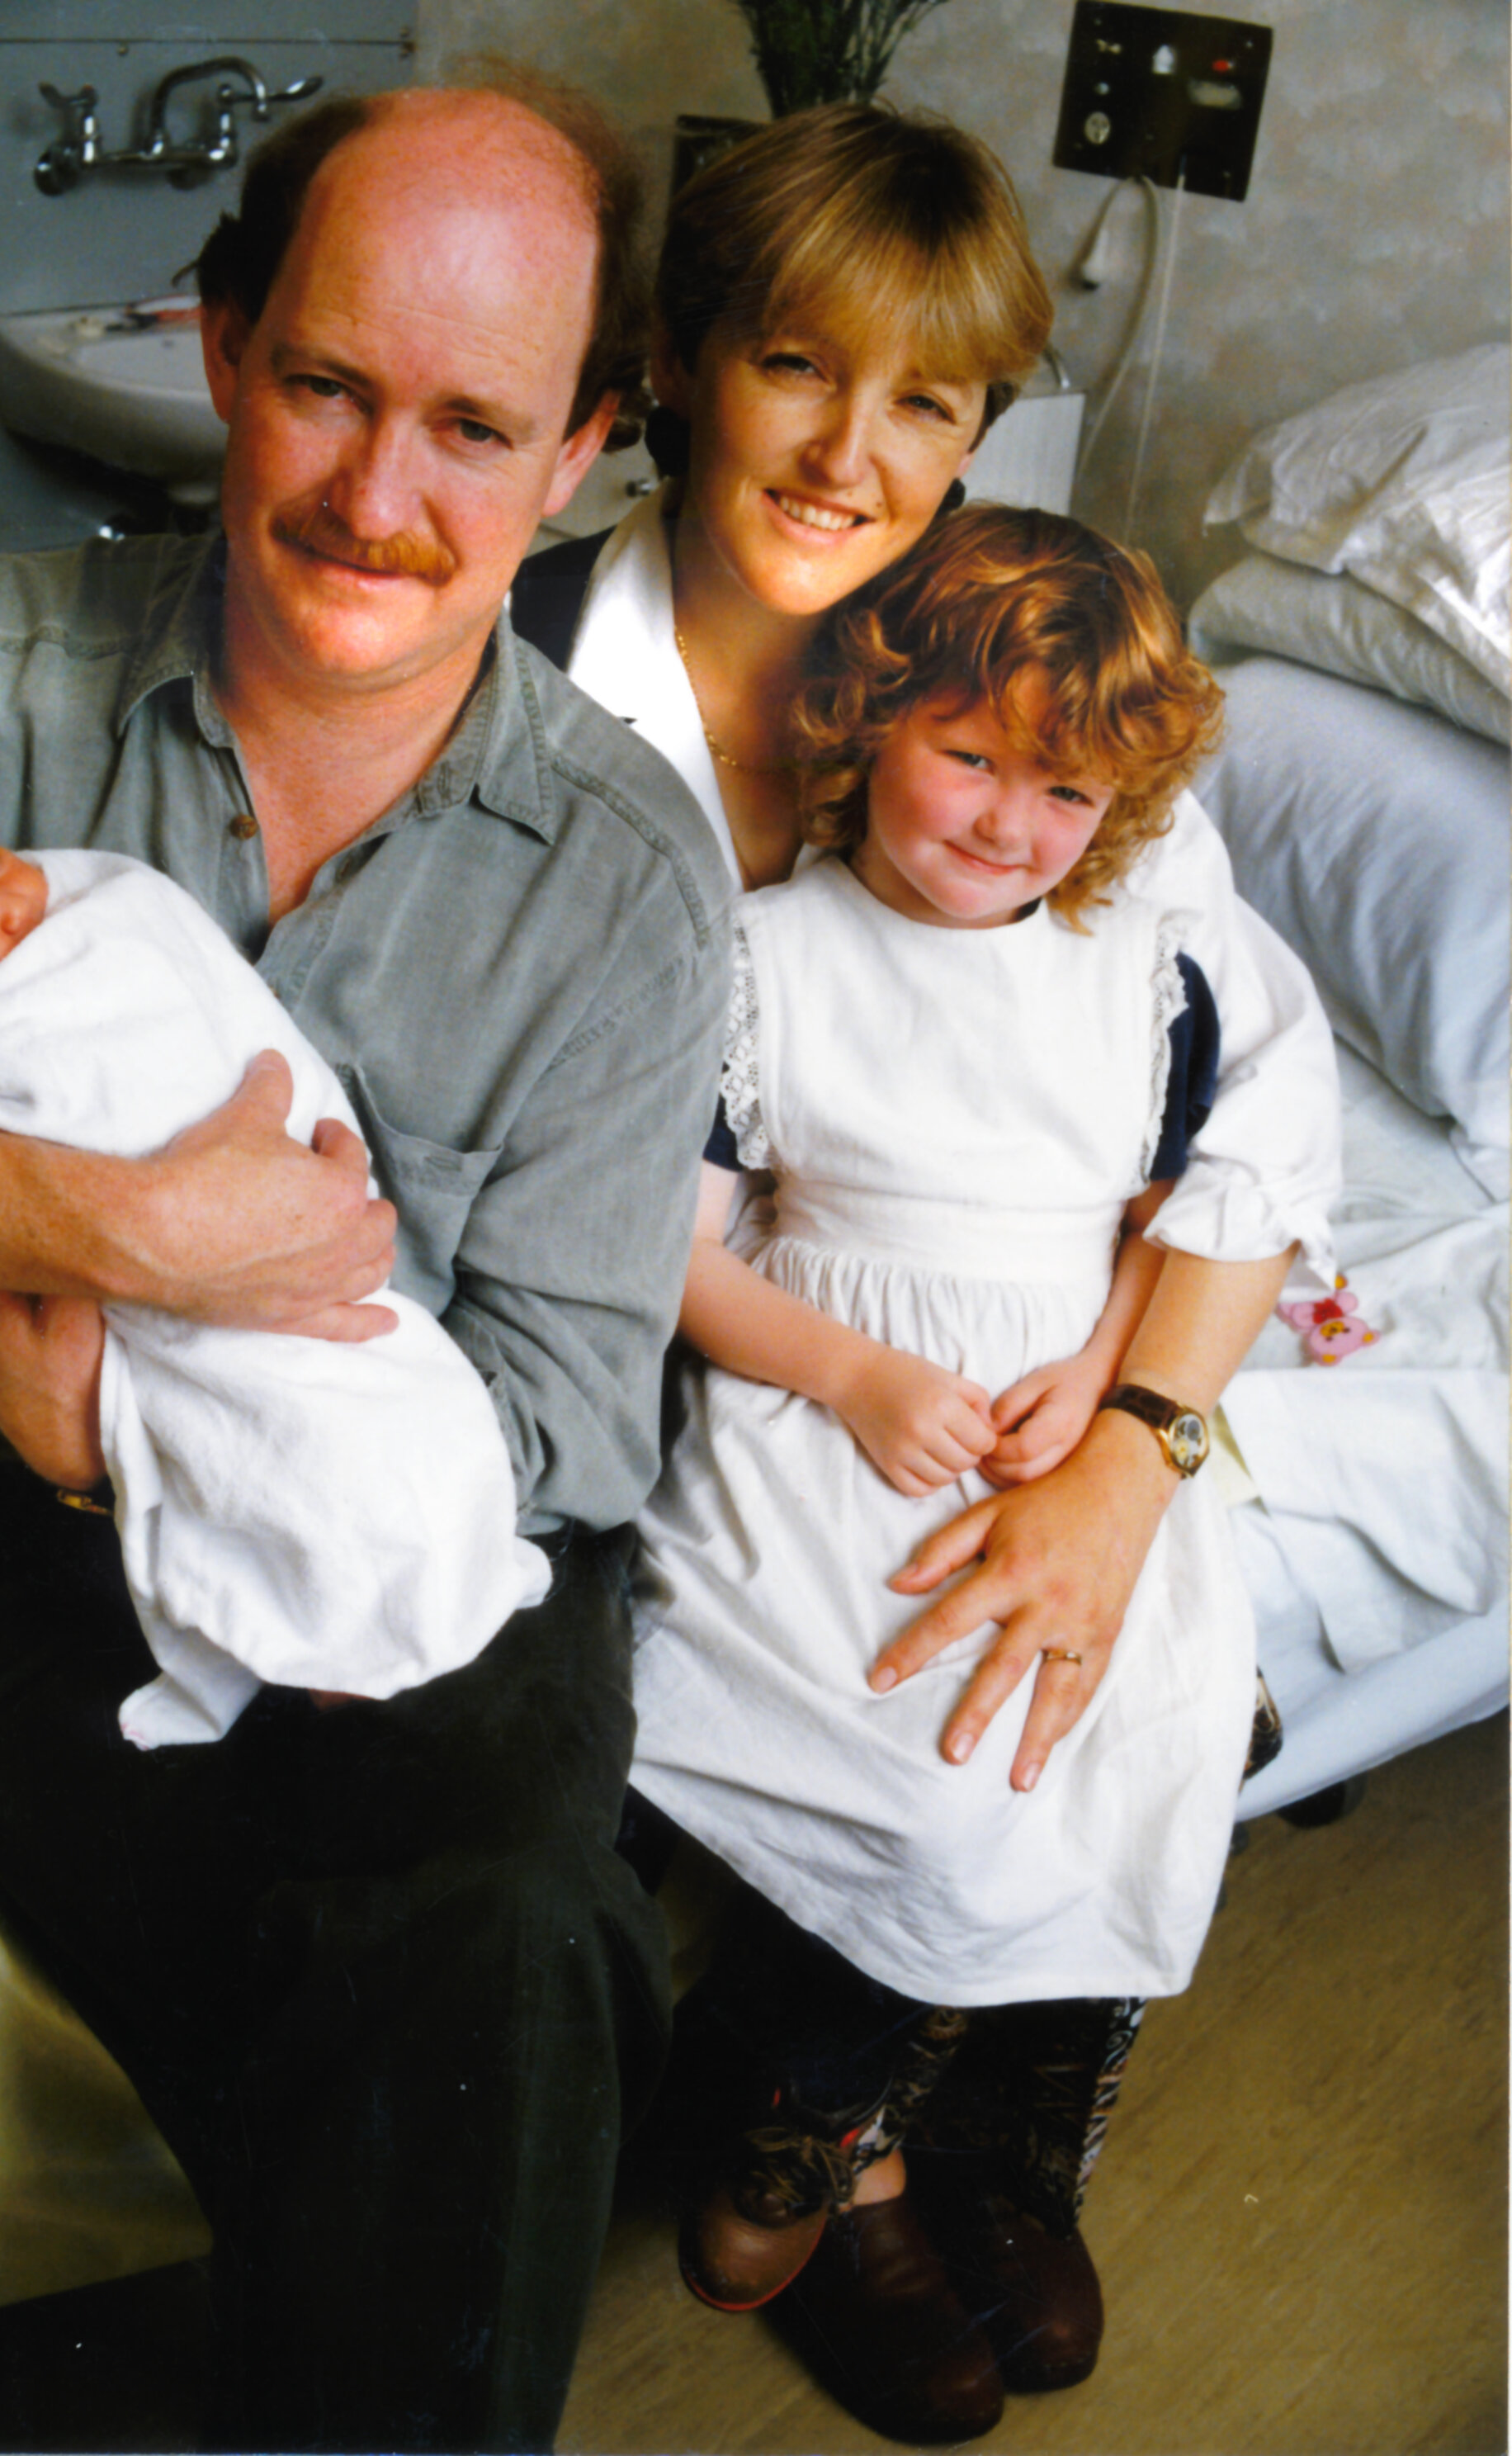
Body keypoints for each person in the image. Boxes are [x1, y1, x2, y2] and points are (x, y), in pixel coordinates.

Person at [0, 78, 730, 2455]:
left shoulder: (624, 883)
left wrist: (180, 1427)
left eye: (476, 426)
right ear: (224, 343)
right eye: (332, 382)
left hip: (407, 1527)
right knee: (411, 2000)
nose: (378, 496)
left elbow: (565, 1426)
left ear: (580, 451)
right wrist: (83, 1232)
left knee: (505, 1923)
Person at [510, 100, 1340, 2407]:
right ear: (679, 364)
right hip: (677, 1334)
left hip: (1040, 1366)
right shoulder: (533, 671)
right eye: (797, 364)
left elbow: (1237, 1090)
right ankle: (836, 2144)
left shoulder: (1038, 654)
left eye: (931, 401)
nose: (852, 454)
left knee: (1139, 1674)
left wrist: (1131, 1444)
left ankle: (986, 2117)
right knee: (869, 1701)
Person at [627, 506, 1336, 2441]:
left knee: (1158, 1712)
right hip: (832, 1401)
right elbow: (677, 1253)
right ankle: (819, 2133)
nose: (1009, 824)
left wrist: (1104, 1390)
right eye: (967, 756)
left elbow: (1170, 1224)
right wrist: (850, 1371)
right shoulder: (765, 955)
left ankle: (984, 2136)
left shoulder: (1138, 964)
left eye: (1064, 790)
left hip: (1058, 1402)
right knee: (924, 1758)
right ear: (870, 721)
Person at [0, 794, 551, 1749]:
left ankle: (393, 1604)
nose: (15, 909)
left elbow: (576, 1397)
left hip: (363, 1315)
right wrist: (148, 1235)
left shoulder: (108, 914)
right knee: (297, 1468)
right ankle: (334, 1641)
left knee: (398, 1450)